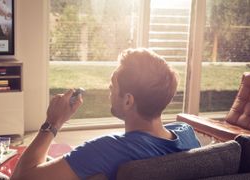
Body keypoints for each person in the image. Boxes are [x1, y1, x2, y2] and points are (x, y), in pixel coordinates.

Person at [11, 48, 201, 180]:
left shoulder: (106, 150)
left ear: (128, 100)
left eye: (112, 87)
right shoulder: (187, 134)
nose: (109, 93)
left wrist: (52, 123)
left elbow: (21, 178)